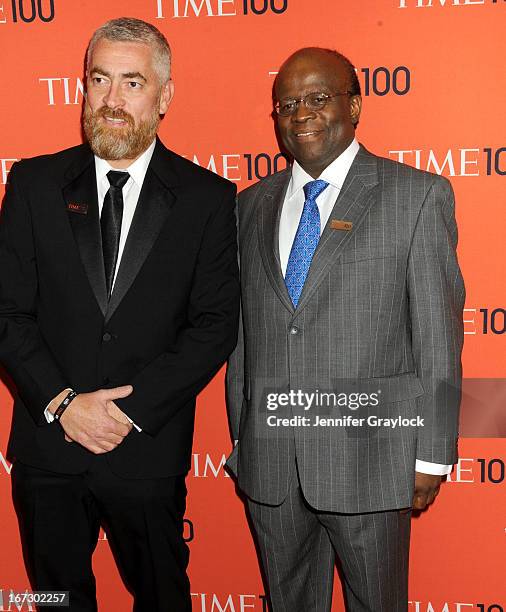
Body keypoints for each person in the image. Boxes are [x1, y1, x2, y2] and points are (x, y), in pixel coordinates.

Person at [0, 17, 239, 612]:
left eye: (132, 83)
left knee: (163, 598)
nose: (111, 100)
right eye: (98, 80)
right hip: (48, 446)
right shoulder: (32, 184)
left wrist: (126, 412)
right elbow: (6, 311)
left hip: (145, 452)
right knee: (56, 600)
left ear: (164, 97)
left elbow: (213, 326)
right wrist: (62, 403)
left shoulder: (208, 199)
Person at [226, 47, 464, 612]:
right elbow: (243, 337)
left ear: (354, 105)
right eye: (286, 104)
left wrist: (432, 456)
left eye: (317, 98)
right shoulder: (246, 207)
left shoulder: (416, 196)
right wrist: (242, 438)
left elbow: (439, 339)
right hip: (272, 467)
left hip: (372, 463)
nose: (301, 114)